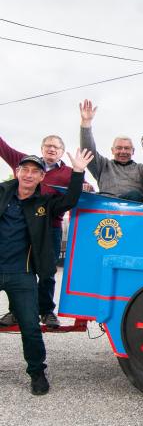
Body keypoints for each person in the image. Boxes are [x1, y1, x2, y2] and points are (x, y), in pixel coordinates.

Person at [0, 149, 93, 395]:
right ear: (17, 172)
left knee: (30, 326)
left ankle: (37, 372)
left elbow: (70, 201)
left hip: (22, 273)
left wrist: (77, 171)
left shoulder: (44, 203)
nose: (29, 175)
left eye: (35, 171)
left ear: (42, 177)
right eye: (25, 170)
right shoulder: (2, 193)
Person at [0, 134, 92, 328]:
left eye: (56, 147)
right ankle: (16, 311)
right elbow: (4, 148)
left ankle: (46, 311)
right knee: (20, 269)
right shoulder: (27, 162)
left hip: (51, 227)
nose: (51, 149)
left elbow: (78, 193)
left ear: (61, 152)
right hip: (24, 226)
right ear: (42, 148)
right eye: (48, 145)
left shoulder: (69, 171)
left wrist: (81, 178)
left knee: (47, 271)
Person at [79, 99, 143, 204]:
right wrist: (86, 123)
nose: (123, 151)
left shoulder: (140, 169)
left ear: (133, 151)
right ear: (112, 150)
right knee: (135, 195)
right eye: (119, 148)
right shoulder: (103, 166)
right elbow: (88, 151)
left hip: (139, 208)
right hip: (111, 207)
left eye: (127, 148)